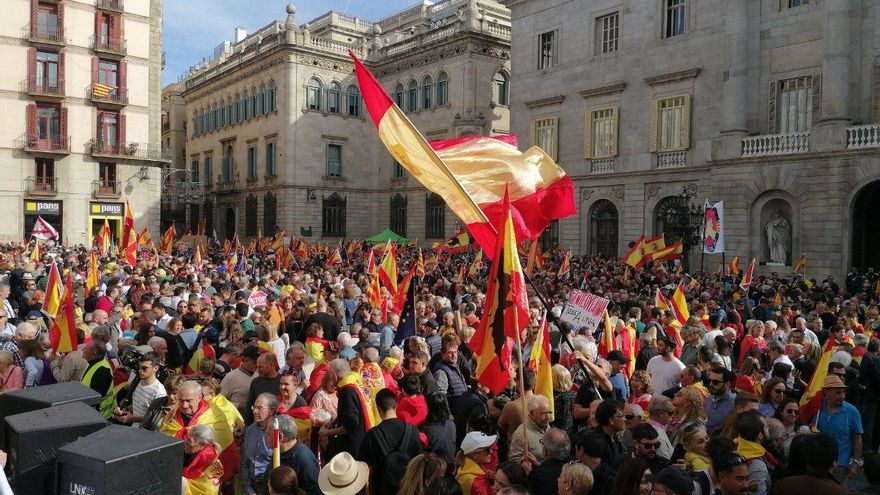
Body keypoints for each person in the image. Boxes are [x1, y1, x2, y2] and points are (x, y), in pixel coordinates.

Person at [358, 388, 422, 494]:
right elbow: (419, 460)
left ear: (378, 409)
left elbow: (362, 466)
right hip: (407, 488)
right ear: (396, 405)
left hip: (381, 489)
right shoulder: (412, 430)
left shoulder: (372, 435)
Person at [815, 374, 864, 485]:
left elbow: (857, 437)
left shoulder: (852, 411)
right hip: (819, 463)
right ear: (826, 392)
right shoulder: (817, 409)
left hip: (840, 465)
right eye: (838, 392)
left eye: (843, 392)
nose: (842, 396)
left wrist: (856, 462)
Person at [323, 358, 373, 460]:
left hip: (354, 449)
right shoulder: (354, 381)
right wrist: (335, 420)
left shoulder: (348, 391)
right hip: (364, 438)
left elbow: (351, 424)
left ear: (334, 376)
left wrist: (327, 432)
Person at [115, 351, 166, 427]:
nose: (140, 371)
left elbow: (155, 420)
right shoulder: (138, 381)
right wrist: (125, 410)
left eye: (144, 368)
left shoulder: (160, 392)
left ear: (155, 368)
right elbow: (140, 404)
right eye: (139, 367)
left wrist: (133, 418)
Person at [274, 414, 320, 495]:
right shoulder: (279, 451)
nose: (265, 436)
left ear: (280, 437)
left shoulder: (304, 459)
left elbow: (314, 491)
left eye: (268, 434)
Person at [241, 393, 277, 495]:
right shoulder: (250, 430)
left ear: (272, 410)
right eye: (254, 407)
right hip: (252, 486)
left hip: (270, 487)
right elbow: (246, 462)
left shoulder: (277, 432)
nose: (254, 411)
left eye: (260, 408)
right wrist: (248, 489)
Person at [734, 411, 775, 495]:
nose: (768, 428)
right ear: (760, 435)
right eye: (766, 427)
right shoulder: (757, 465)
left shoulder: (736, 444)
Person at [182, 424, 224, 495]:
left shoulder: (205, 458)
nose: (185, 444)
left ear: (202, 445)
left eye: (189, 442)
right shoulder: (195, 452)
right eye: (186, 440)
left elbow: (185, 475)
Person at [509, 395, 552, 464]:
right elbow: (514, 461)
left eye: (549, 412)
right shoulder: (521, 434)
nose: (547, 417)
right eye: (543, 413)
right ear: (532, 413)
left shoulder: (547, 426)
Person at [528, 428, 571, 495]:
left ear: (546, 450)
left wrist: (529, 473)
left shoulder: (538, 475)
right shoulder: (576, 463)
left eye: (542, 443)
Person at [420, 392, 457, 469]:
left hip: (434, 469)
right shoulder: (451, 425)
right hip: (450, 467)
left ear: (429, 407)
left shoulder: (424, 428)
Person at [244, 352, 281, 424]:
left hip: (277, 424)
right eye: (257, 367)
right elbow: (249, 407)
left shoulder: (282, 382)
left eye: (261, 367)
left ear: (271, 365)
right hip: (259, 425)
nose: (258, 370)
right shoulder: (256, 382)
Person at [220, 345, 258, 415]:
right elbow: (219, 401)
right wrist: (238, 406)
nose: (257, 365)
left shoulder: (258, 376)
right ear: (244, 359)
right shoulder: (231, 377)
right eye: (254, 362)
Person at [705, 367, 736, 435]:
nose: (710, 384)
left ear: (727, 384)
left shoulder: (734, 404)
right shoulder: (709, 397)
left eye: (715, 382)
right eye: (709, 380)